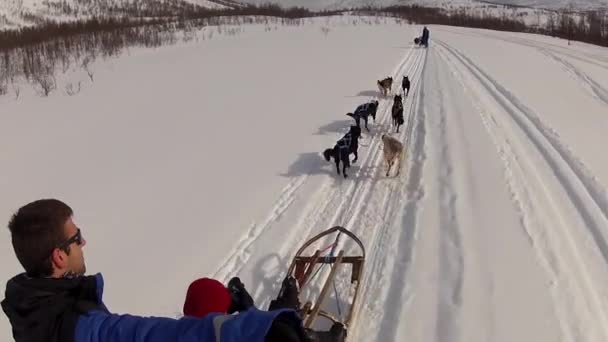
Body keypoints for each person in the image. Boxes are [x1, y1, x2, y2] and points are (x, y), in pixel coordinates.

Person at [1, 198, 307, 342]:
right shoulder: (74, 328)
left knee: (206, 294)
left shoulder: (32, 309)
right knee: (208, 296)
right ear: (58, 257)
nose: (84, 241)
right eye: (76, 238)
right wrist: (253, 332)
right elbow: (145, 335)